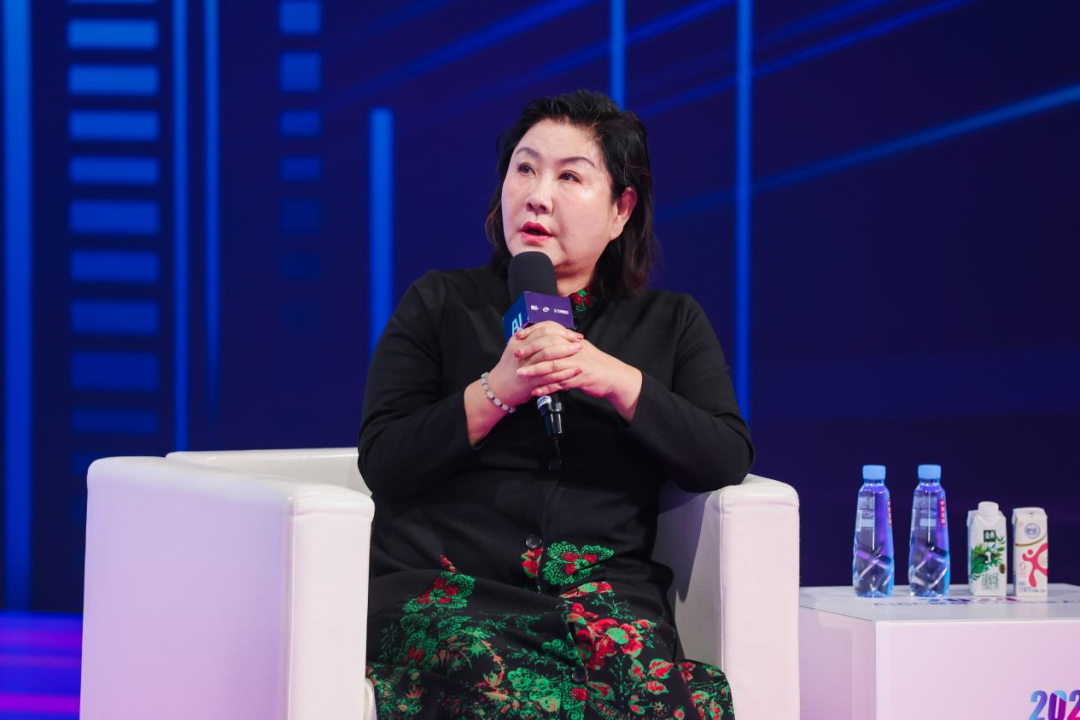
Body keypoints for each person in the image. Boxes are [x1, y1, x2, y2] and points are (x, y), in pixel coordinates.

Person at [358, 89, 753, 720]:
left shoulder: (671, 322)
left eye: (570, 176)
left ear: (621, 209)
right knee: (502, 681)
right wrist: (496, 390)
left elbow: (724, 456)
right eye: (525, 168)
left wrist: (616, 380)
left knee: (663, 695)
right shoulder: (440, 302)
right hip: (450, 594)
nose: (537, 195)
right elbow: (384, 461)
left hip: (603, 604)